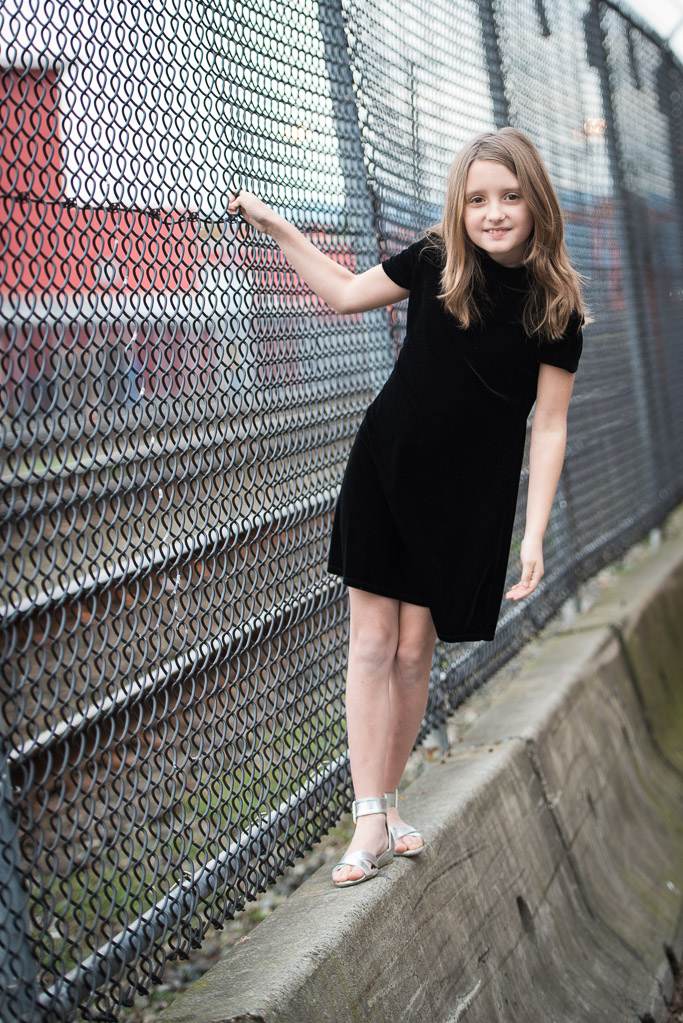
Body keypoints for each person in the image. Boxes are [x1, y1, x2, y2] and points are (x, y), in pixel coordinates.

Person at [227, 126, 585, 888]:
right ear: (459, 205)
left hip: (465, 501)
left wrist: (533, 533)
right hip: (387, 469)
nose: (493, 212)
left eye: (510, 196)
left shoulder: (554, 307)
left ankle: (387, 805)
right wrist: (277, 225)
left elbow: (549, 425)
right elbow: (343, 293)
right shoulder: (434, 262)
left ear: (535, 202)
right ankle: (368, 816)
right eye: (477, 198)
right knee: (372, 641)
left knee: (415, 650)